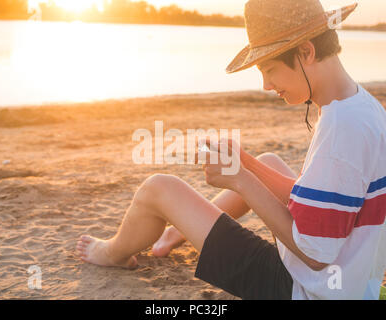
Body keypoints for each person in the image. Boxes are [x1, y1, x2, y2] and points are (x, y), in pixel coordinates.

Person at [76, 0, 386, 299]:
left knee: (159, 188)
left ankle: (112, 253)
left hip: (300, 289)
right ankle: (175, 232)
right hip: (350, 284)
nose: (265, 84)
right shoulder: (361, 107)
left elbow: (315, 253)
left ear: (306, 51)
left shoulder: (341, 130)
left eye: (270, 68)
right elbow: (332, 206)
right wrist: (245, 164)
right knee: (266, 163)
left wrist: (240, 179)